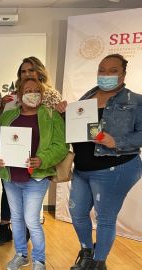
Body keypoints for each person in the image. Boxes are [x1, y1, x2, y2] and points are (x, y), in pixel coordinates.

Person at [55, 54, 142, 270]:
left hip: (114, 168)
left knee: (104, 218)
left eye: (112, 70)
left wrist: (116, 141)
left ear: (123, 74)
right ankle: (87, 253)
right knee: (77, 212)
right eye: (102, 69)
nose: (106, 74)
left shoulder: (135, 101)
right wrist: (65, 114)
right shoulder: (88, 97)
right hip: (83, 168)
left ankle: (98, 263)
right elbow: (81, 131)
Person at [0, 78, 68, 270]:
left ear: (43, 95)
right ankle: (21, 254)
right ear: (19, 95)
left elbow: (61, 146)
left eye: (37, 90)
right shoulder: (7, 116)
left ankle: (39, 259)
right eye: (28, 90)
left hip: (37, 177)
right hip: (11, 177)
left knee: (32, 220)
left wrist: (42, 159)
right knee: (16, 218)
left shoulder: (52, 117)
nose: (33, 93)